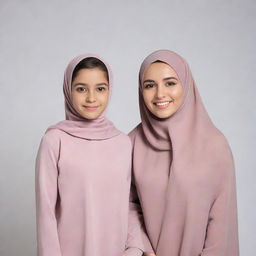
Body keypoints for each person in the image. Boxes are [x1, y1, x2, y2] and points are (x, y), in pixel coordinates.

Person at [129, 50, 239, 256]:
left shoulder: (214, 145)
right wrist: (144, 249)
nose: (160, 94)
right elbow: (127, 206)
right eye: (150, 85)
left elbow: (221, 225)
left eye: (170, 83)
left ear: (186, 85)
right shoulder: (131, 144)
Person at [35, 54, 147, 256]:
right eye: (81, 89)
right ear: (68, 90)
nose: (91, 98)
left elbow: (130, 204)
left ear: (109, 90)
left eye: (100, 89)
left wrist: (135, 248)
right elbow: (46, 214)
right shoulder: (55, 141)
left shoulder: (122, 143)